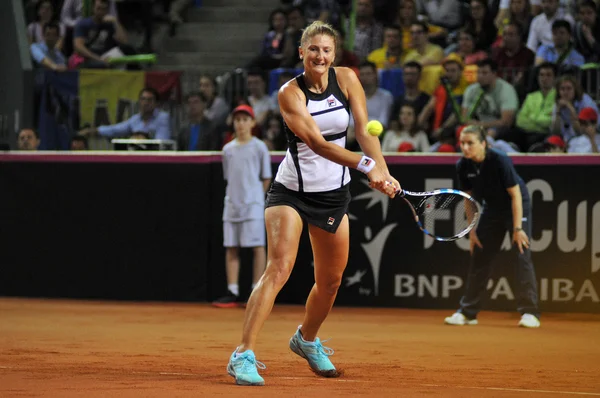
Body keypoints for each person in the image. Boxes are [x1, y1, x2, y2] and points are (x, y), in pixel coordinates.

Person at [226, 21, 399, 386]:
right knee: (279, 267)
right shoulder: (290, 93)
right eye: (314, 49)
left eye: (327, 50)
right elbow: (319, 145)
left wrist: (383, 169)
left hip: (334, 196)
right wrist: (368, 167)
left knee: (331, 281)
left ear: (334, 54)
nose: (321, 56)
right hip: (291, 192)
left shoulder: (348, 79)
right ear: (301, 52)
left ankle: (305, 340)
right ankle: (243, 354)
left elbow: (366, 132)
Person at [444, 125, 540, 328]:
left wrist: (517, 229)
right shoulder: (463, 165)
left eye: (470, 143)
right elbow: (468, 200)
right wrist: (471, 232)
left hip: (516, 205)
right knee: (480, 255)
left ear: (483, 144)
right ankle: (468, 312)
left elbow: (515, 195)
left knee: (522, 253)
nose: (465, 147)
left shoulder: (499, 159)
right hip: (493, 210)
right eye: (462, 143)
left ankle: (530, 313)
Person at [212, 105, 272, 308]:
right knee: (231, 248)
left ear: (253, 123)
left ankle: (257, 289)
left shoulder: (259, 147)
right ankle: (233, 290)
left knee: (257, 247)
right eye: (237, 120)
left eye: (245, 119)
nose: (241, 124)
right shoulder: (228, 149)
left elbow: (266, 177)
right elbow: (228, 176)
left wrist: (255, 197)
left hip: (253, 205)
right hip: (232, 205)